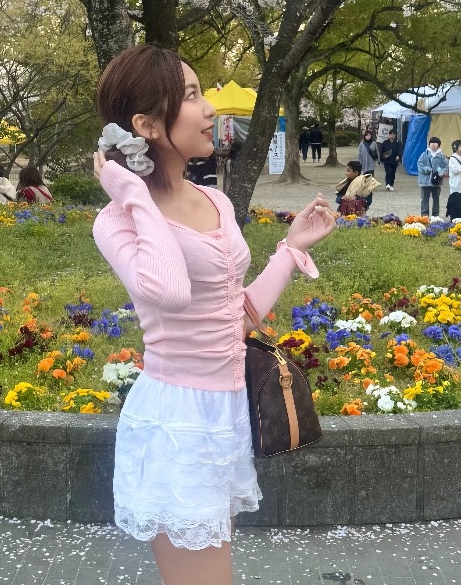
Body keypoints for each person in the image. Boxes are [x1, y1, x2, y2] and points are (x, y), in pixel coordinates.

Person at [91, 44, 336, 585]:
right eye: (192, 96)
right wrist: (133, 194)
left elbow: (235, 315)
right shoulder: (117, 221)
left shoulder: (215, 201)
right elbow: (171, 292)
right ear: (147, 125)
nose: (209, 110)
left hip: (224, 415)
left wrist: (290, 249)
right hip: (176, 421)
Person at [417, 136, 448, 217]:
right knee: (424, 199)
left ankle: (435, 214)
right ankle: (424, 214)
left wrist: (442, 172)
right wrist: (426, 169)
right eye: (431, 143)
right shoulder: (424, 154)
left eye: (435, 143)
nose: (433, 144)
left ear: (438, 145)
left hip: (436, 181)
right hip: (425, 181)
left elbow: (446, 166)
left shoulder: (442, 156)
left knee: (436, 199)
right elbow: (419, 164)